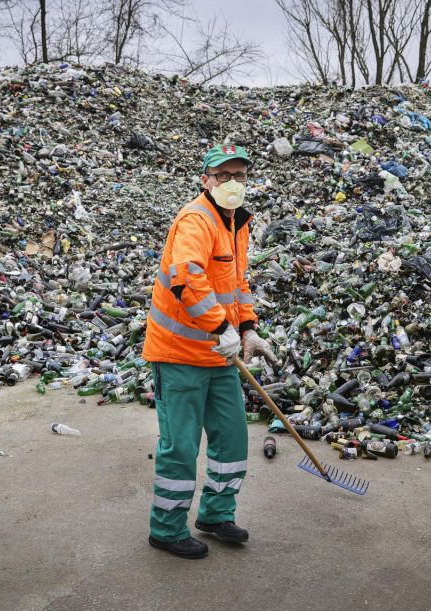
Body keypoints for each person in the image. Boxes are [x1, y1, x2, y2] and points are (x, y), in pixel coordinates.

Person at [141, 144, 278, 559]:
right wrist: (220, 327)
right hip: (179, 353)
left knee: (232, 438)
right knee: (181, 446)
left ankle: (216, 514)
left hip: (220, 354)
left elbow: (237, 286)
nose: (232, 183)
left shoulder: (237, 224)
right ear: (206, 180)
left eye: (239, 176)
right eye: (223, 176)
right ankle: (165, 530)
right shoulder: (195, 220)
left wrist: (249, 328)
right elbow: (187, 281)